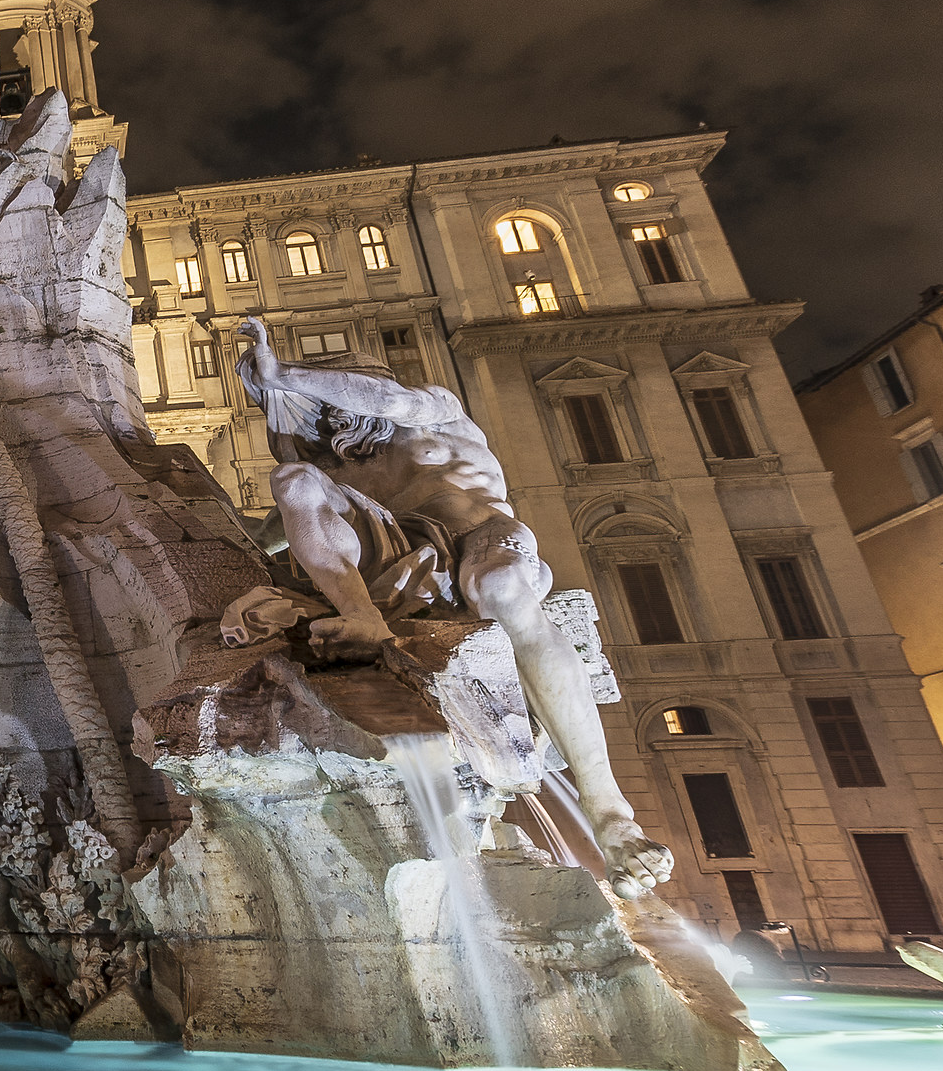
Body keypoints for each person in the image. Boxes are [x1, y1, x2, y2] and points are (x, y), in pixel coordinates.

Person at [235, 315, 671, 897]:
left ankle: (610, 815)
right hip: (404, 557)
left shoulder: (431, 411)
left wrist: (286, 375)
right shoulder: (338, 466)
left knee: (501, 587)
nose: (334, 417)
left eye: (336, 399)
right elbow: (270, 531)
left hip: (483, 538)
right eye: (324, 414)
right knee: (293, 480)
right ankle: (362, 617)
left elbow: (387, 400)